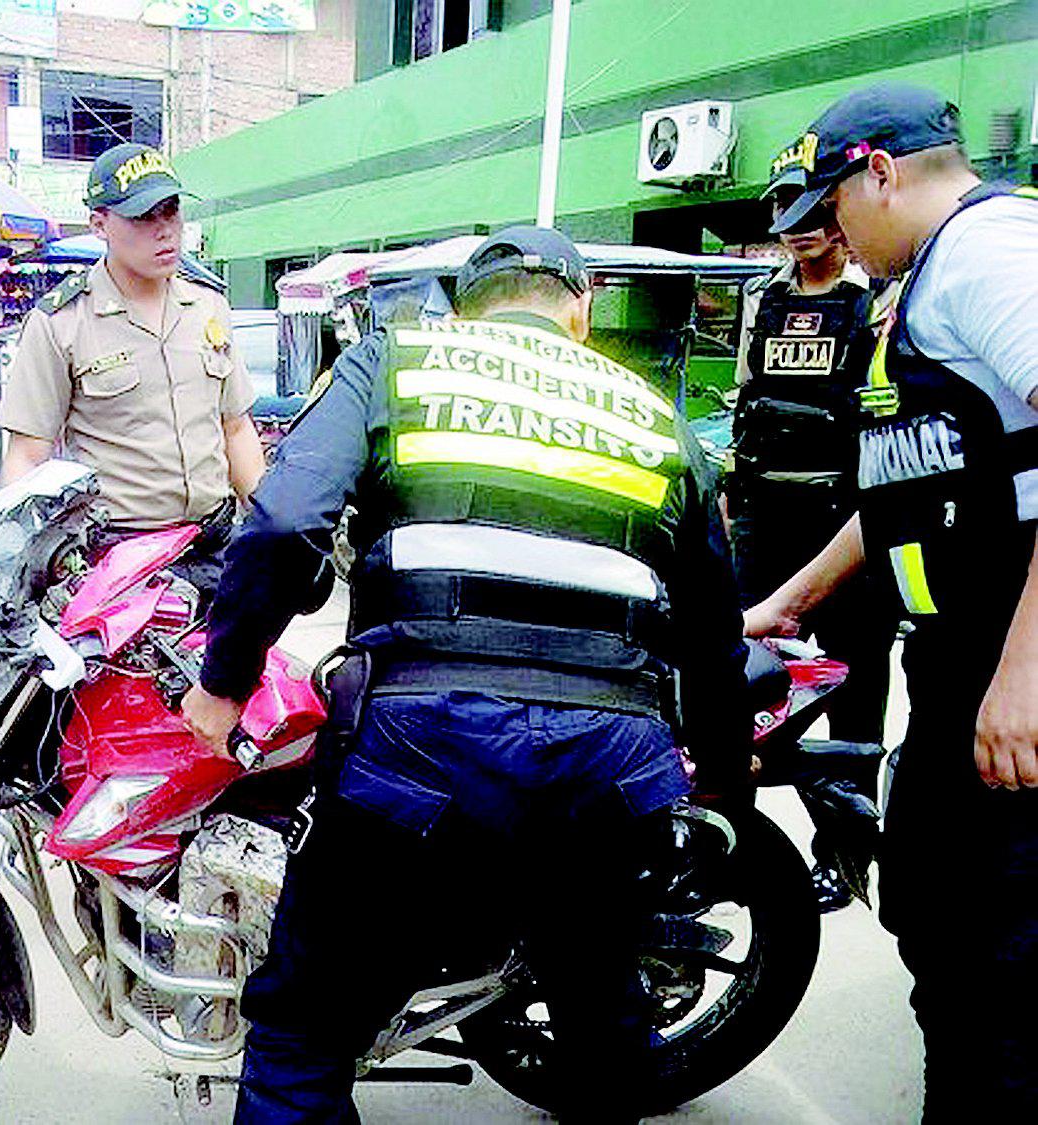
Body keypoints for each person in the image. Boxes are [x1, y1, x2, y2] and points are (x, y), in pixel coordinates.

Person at [182, 227, 752, 1123]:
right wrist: (725, 784)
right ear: (582, 305)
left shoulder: (398, 361)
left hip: (419, 755)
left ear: (463, 305)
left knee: (306, 1031)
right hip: (607, 767)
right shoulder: (652, 412)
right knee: (604, 1024)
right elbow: (716, 625)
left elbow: (287, 517)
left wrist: (224, 682)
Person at [749, 83, 1038, 1119]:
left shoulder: (989, 251)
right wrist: (782, 600)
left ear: (882, 171)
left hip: (1012, 666)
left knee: (1001, 962)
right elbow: (908, 490)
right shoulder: (919, 285)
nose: (830, 232)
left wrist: (1026, 676)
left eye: (836, 204)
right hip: (956, 664)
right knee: (929, 908)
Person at [727, 139, 901, 910]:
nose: (798, 233)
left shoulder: (878, 300)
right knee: (742, 682)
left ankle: (846, 850)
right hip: (765, 514)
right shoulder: (763, 299)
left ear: (836, 215)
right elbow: (745, 404)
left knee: (853, 687)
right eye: (785, 218)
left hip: (846, 519)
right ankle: (729, 836)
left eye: (810, 217)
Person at [0, 142, 265, 595]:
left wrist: (268, 528)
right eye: (144, 217)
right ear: (100, 224)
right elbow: (27, 454)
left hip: (216, 548)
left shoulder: (208, 306)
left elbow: (236, 429)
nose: (166, 232)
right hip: (119, 562)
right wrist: (27, 559)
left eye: (171, 211)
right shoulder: (61, 321)